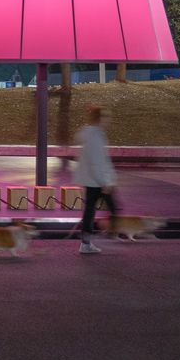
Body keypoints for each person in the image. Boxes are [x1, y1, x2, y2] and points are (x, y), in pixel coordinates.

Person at [74, 105, 118, 254]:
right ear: (99, 119)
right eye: (106, 117)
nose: (108, 120)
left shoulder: (92, 134)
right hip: (98, 180)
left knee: (91, 210)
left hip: (92, 180)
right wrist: (105, 182)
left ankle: (87, 241)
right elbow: (97, 162)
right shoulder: (95, 136)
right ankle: (107, 235)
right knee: (112, 208)